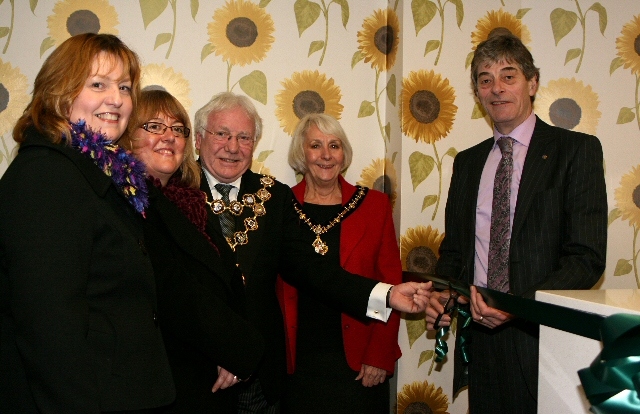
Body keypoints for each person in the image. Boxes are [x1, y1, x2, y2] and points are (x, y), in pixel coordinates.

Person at [194, 91, 430, 413]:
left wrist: (384, 295)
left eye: (244, 137)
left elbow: (312, 270)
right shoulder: (173, 192)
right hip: (195, 372)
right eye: (222, 134)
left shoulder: (273, 197)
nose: (233, 147)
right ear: (198, 138)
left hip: (261, 383)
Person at [424, 29, 607, 414]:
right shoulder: (468, 162)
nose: (497, 88)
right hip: (483, 341)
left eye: (509, 76)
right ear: (477, 93)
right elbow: (456, 253)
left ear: (532, 82)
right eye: (485, 80)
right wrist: (443, 294)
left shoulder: (576, 151)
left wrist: (517, 306)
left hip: (546, 339)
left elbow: (586, 258)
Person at [0, 33, 175, 412]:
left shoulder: (96, 175)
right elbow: (49, 331)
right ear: (60, 92)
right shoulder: (45, 177)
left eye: (125, 88)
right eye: (98, 84)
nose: (116, 99)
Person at [119, 89, 265, 413]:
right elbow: (176, 293)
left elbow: (229, 282)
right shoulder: (130, 202)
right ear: (128, 136)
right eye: (154, 126)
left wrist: (230, 355)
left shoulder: (188, 200)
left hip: (209, 377)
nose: (168, 136)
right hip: (165, 382)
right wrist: (239, 349)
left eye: (177, 129)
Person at [278, 113, 401, 413]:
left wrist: (379, 355)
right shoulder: (279, 206)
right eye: (315, 145)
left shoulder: (374, 205)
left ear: (344, 154)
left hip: (360, 364)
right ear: (300, 153)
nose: (325, 155)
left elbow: (392, 285)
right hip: (296, 363)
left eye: (334, 146)